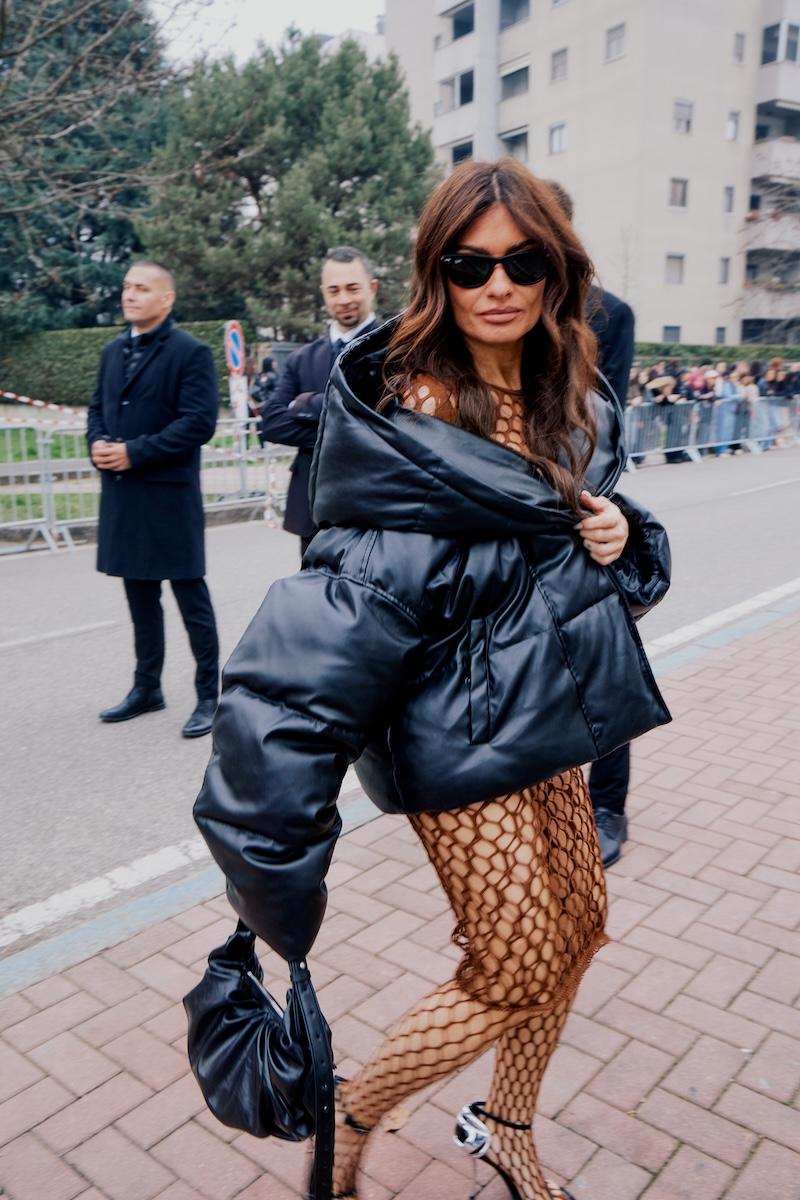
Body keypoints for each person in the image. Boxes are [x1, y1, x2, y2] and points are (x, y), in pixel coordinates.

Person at [194, 160, 671, 1200]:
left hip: (539, 700)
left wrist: (618, 537)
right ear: (435, 272)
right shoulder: (413, 408)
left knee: (578, 930)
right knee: (513, 962)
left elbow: (564, 554)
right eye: (469, 264)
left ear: (558, 271)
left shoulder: (564, 393)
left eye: (522, 263)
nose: (497, 285)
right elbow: (345, 598)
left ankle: (504, 1124)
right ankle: (354, 1118)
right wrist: (275, 804)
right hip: (444, 720)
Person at [88, 261, 220, 738]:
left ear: (167, 299)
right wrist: (97, 444)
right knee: (139, 595)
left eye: (142, 288)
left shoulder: (191, 352)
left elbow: (198, 423)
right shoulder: (111, 351)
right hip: (124, 496)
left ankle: (209, 695)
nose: (130, 295)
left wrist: (134, 452)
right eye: (127, 287)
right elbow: (96, 410)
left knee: (190, 597)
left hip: (168, 495)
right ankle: (147, 688)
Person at [259, 247, 380, 557]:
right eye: (334, 290)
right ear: (323, 293)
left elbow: (390, 418)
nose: (344, 299)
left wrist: (306, 405)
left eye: (352, 288)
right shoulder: (301, 359)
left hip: (377, 510)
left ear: (372, 287)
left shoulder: (398, 350)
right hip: (313, 511)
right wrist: (351, 424)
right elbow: (272, 423)